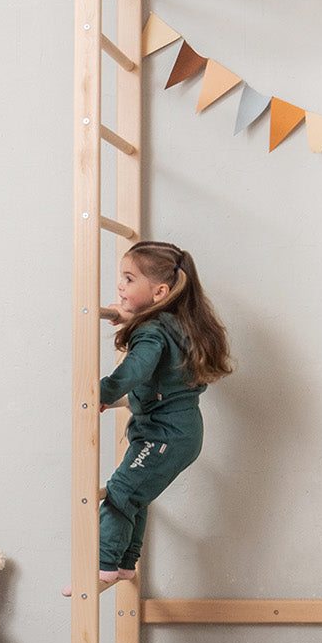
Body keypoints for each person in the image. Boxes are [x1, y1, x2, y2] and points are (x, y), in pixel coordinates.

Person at [64, 241, 232, 595]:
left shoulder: (152, 333)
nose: (120, 286)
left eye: (129, 279)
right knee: (135, 495)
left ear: (159, 293)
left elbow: (136, 370)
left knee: (121, 492)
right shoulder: (175, 323)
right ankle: (125, 564)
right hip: (179, 433)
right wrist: (129, 317)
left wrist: (100, 393)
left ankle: (103, 566)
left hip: (163, 437)